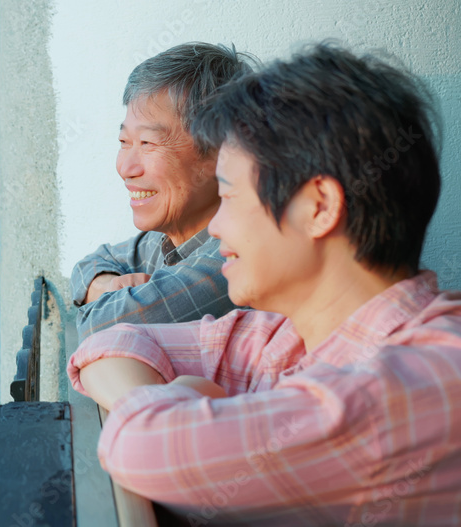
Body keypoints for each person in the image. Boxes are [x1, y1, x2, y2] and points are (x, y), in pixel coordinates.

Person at [67, 44, 459, 525]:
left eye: (229, 196)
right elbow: (111, 343)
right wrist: (188, 399)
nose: (215, 229)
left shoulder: (425, 383)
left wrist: (177, 399)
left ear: (318, 207)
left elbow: (138, 446)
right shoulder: (289, 337)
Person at [72, 42, 252, 340]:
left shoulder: (233, 259)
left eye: (147, 143)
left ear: (221, 153)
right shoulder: (166, 239)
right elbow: (92, 262)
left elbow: (98, 327)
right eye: (123, 142)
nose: (126, 168)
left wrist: (101, 301)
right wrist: (104, 285)